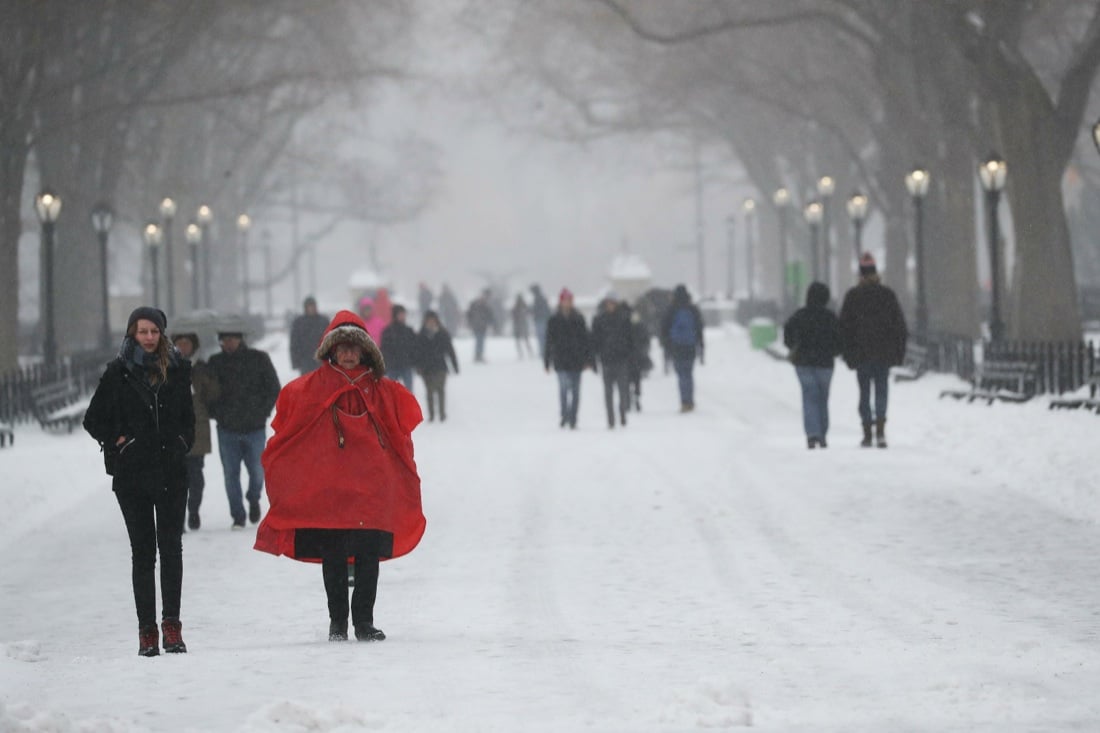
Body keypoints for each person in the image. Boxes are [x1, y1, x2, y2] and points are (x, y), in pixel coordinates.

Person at [255, 310, 425, 642]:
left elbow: (401, 430)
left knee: (367, 555)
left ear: (365, 351)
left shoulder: (383, 390)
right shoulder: (308, 389)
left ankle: (363, 621)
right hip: (328, 490)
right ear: (331, 350)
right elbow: (289, 432)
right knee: (332, 555)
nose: (348, 353)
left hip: (370, 489)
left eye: (354, 347)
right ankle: (337, 622)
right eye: (342, 347)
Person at [83, 307, 195, 657]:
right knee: (143, 553)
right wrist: (120, 440)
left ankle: (172, 625)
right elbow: (93, 419)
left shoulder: (177, 370)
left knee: (172, 549)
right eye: (141, 331)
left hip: (172, 472)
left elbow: (189, 421)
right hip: (133, 475)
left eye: (154, 331)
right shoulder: (118, 372)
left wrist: (180, 444)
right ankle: (147, 630)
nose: (148, 337)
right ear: (131, 334)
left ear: (162, 334)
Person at [207, 328, 281, 528]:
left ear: (241, 339)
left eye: (233, 338)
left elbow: (274, 387)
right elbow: (207, 393)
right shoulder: (215, 363)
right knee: (231, 474)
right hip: (227, 428)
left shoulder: (258, 359)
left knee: (257, 471)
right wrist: (216, 413)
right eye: (225, 339)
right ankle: (238, 516)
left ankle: (254, 497)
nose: (229, 342)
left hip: (254, 427)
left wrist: (263, 411)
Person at [839, 252, 908, 448]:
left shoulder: (853, 296)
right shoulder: (887, 295)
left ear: (860, 275)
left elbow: (844, 327)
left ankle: (867, 430)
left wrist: (847, 353)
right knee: (881, 391)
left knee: (864, 392)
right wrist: (898, 352)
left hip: (861, 354)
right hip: (883, 353)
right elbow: (899, 326)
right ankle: (880, 429)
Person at [783, 282, 843, 449]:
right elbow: (840, 339)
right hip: (825, 364)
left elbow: (788, 334)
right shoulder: (830, 317)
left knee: (809, 397)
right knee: (823, 398)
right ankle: (822, 433)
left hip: (803, 363)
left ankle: (812, 433)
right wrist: (834, 352)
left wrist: (792, 346)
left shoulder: (799, 316)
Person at [171, 332, 220, 529]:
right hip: (172, 431)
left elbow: (214, 395)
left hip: (196, 429)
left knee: (195, 477)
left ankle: (193, 510)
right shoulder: (166, 368)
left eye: (186, 343)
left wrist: (201, 380)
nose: (183, 347)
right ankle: (178, 517)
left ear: (193, 346)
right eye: (179, 344)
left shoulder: (201, 368)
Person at [544, 288, 593, 429]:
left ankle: (573, 417)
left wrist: (588, 360)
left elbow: (586, 340)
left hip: (576, 360)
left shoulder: (579, 318)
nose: (567, 303)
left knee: (576, 391)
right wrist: (547, 361)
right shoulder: (553, 320)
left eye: (569, 300)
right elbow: (549, 341)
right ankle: (564, 414)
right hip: (560, 360)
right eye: (565, 300)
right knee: (563, 389)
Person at [659, 284, 705, 412]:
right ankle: (690, 400)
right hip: (690, 346)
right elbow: (699, 328)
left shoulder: (671, 309)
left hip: (676, 346)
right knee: (689, 374)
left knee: (681, 375)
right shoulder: (693, 309)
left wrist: (666, 346)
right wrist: (701, 346)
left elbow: (664, 329)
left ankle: (684, 402)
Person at [590, 296, 634, 428]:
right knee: (608, 392)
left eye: (612, 303)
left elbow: (630, 339)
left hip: (621, 359)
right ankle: (610, 418)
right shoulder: (599, 320)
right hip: (606, 360)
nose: (610, 306)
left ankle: (622, 413)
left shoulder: (623, 319)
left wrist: (629, 355)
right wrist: (595, 358)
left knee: (623, 390)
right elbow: (594, 341)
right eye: (608, 304)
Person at [415, 310, 459, 422]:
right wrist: (418, 366)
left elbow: (450, 350)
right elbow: (417, 352)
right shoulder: (421, 335)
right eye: (429, 320)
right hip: (427, 368)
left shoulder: (443, 334)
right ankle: (432, 414)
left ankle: (442, 413)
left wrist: (454, 365)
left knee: (440, 390)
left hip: (440, 366)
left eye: (433, 320)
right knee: (429, 391)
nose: (431, 322)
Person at [380, 304, 418, 391]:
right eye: (400, 314)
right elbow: (384, 349)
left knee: (409, 392)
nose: (403, 316)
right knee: (392, 391)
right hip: (392, 366)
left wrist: (414, 361)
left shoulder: (409, 331)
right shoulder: (388, 331)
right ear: (395, 315)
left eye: (404, 314)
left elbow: (415, 348)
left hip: (406, 365)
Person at [289, 296, 329, 375]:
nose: (311, 308)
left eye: (312, 306)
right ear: (305, 307)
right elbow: (294, 343)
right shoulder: (299, 323)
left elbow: (329, 340)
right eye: (309, 306)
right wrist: (296, 362)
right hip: (305, 361)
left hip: (320, 360)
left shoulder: (323, 321)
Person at [624, 302, 653, 411]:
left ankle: (627, 399)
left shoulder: (622, 324)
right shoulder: (638, 323)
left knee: (626, 380)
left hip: (626, 357)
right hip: (637, 356)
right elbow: (645, 338)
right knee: (636, 379)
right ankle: (636, 397)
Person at [466, 289, 496, 363]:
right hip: (479, 325)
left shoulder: (480, 305)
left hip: (480, 325)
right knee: (479, 340)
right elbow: (490, 316)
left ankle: (478, 355)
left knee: (480, 340)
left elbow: (490, 316)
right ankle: (478, 355)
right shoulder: (481, 305)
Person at [529, 284, 552, 359]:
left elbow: (536, 310)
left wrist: (530, 311)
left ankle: (544, 352)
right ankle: (544, 351)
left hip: (540, 320)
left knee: (542, 337)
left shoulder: (537, 299)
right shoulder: (542, 298)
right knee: (544, 337)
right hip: (543, 319)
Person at [511, 294, 534, 358]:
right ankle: (528, 353)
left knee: (520, 340)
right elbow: (529, 312)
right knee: (525, 340)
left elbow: (513, 315)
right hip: (521, 325)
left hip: (519, 325)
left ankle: (521, 353)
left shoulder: (516, 306)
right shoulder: (523, 306)